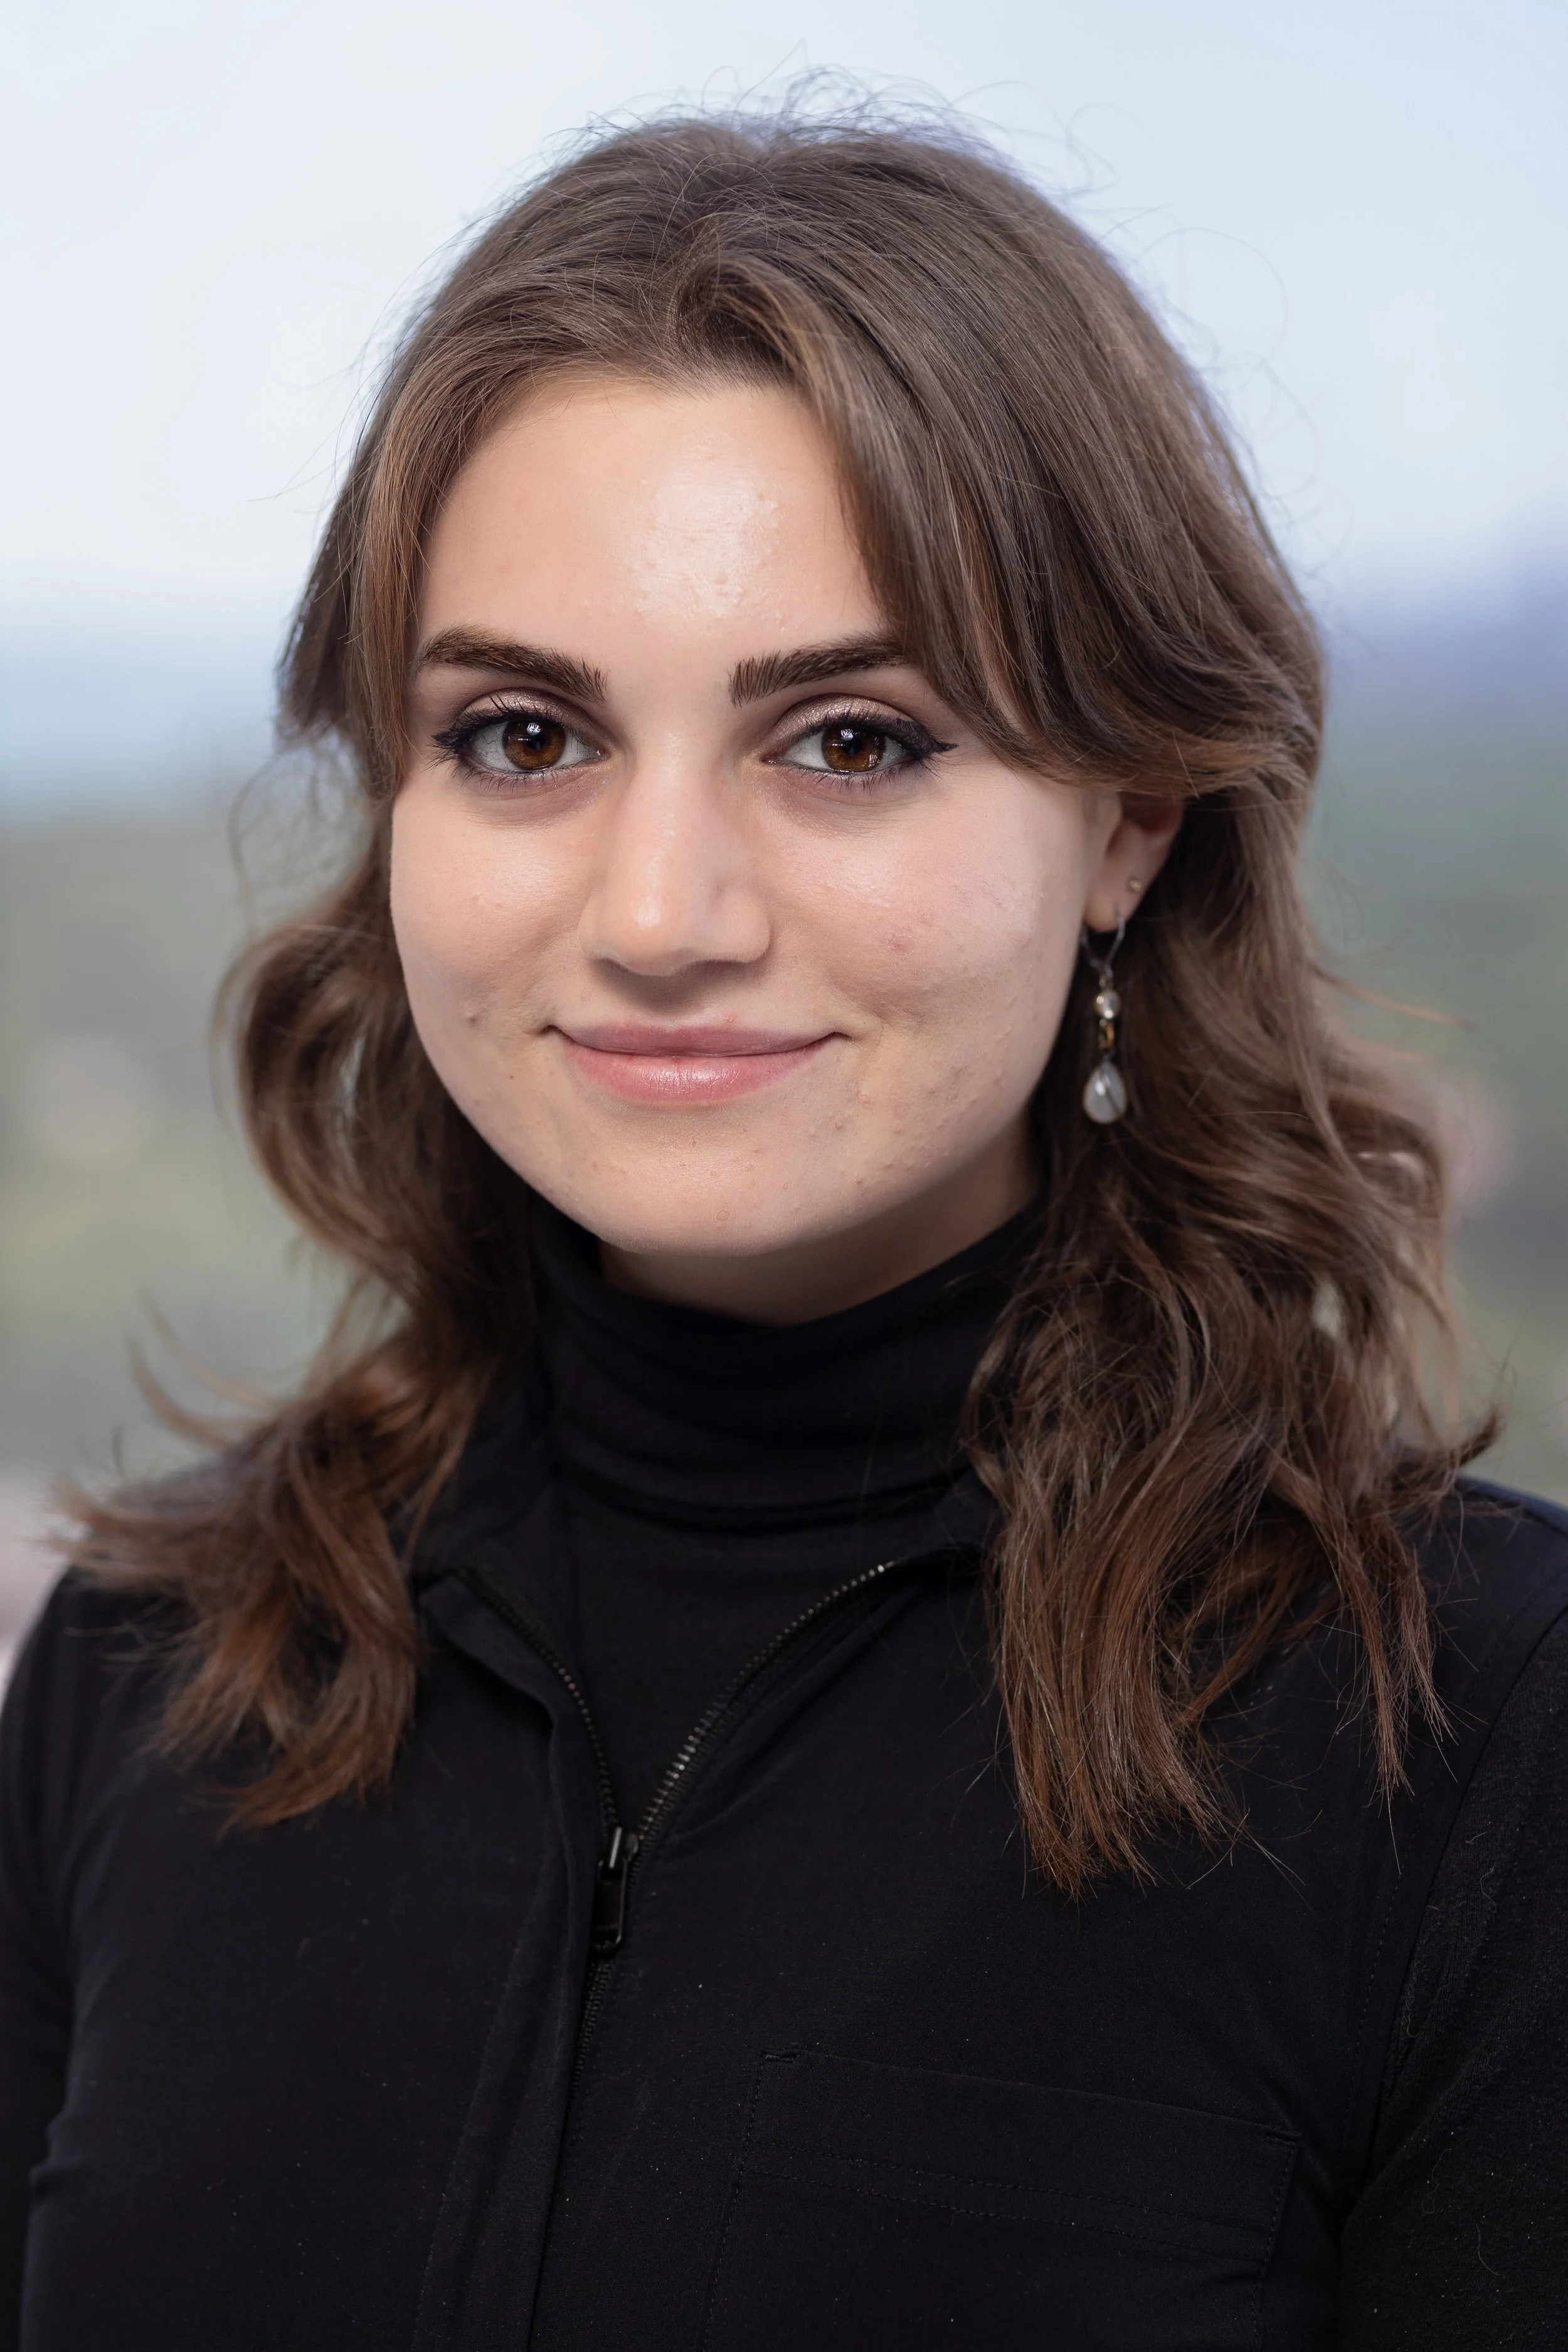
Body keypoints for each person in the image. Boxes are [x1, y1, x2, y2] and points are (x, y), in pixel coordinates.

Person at [3, 107, 1566, 2352]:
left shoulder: (1476, 1741)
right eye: (523, 730)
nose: (657, 914)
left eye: (846, 740)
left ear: (1128, 815)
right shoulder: (149, 1677)